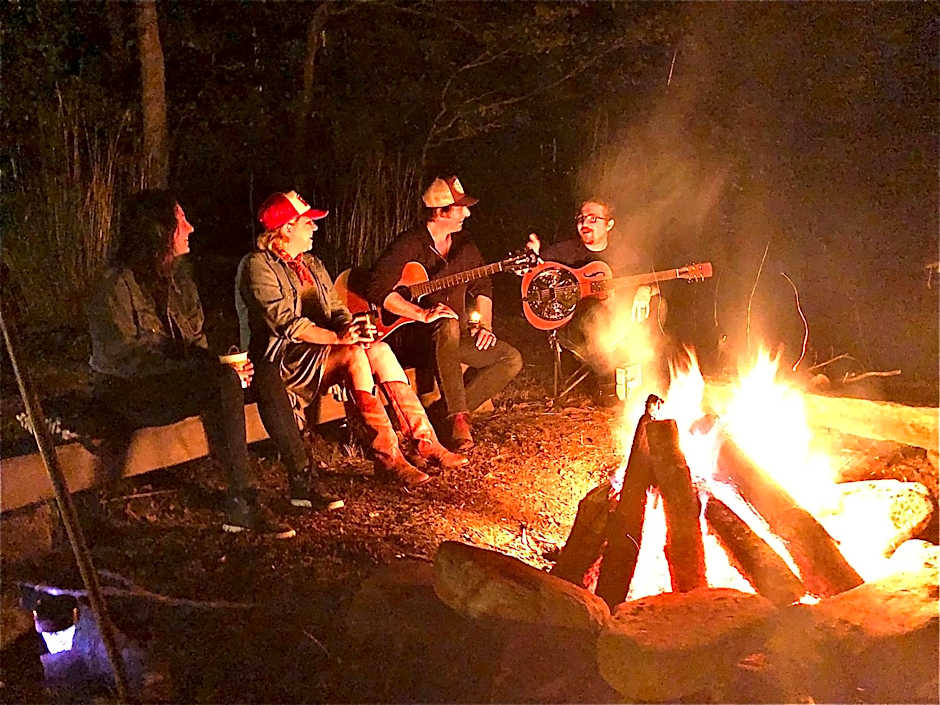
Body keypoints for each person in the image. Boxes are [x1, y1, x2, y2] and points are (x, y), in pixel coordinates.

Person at [87, 190, 339, 540]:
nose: (190, 228)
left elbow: (195, 341)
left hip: (173, 379)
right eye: (181, 222)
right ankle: (242, 501)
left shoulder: (179, 277)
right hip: (129, 392)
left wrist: (220, 363)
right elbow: (126, 359)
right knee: (220, 379)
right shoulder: (115, 284)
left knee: (263, 369)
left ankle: (302, 479)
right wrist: (206, 369)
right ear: (159, 232)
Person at [235, 191, 467, 490]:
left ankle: (424, 441)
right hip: (283, 360)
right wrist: (341, 338)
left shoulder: (311, 264)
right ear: (287, 228)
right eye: (308, 223)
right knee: (354, 355)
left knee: (379, 349)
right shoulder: (258, 266)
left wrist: (354, 328)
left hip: (323, 351)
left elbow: (336, 310)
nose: (315, 228)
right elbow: (287, 325)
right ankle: (388, 459)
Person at [366, 176, 523, 450]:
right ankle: (459, 419)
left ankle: (440, 414)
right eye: (460, 208)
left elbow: (483, 284)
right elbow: (377, 289)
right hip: (417, 342)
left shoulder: (464, 246)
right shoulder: (409, 244)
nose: (468, 213)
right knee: (446, 322)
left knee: (511, 358)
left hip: (455, 340)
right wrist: (421, 313)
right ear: (440, 212)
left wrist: (484, 325)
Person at [528, 198, 666, 402]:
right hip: (581, 326)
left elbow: (655, 281)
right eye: (581, 219)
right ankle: (610, 382)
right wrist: (535, 260)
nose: (585, 224)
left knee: (659, 304)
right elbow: (538, 281)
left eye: (593, 219)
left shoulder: (626, 253)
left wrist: (646, 290)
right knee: (597, 313)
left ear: (609, 224)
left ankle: (644, 371)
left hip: (625, 324)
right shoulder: (562, 252)